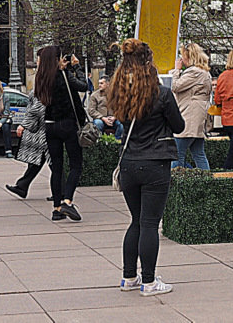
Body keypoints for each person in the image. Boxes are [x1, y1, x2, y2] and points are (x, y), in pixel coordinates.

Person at [107, 38, 185, 297]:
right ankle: (149, 282)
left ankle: (129, 277)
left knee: (136, 222)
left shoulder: (119, 91)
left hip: (128, 163)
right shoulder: (160, 93)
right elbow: (179, 126)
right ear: (148, 61)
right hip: (155, 163)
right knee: (150, 223)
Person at [35, 47, 87, 221]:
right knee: (75, 164)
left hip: (50, 126)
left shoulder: (40, 77)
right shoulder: (63, 76)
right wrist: (76, 67)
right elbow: (83, 86)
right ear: (56, 59)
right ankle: (67, 200)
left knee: (56, 168)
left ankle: (57, 208)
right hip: (68, 125)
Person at [170, 42, 213, 170]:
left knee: (178, 155)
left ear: (189, 57)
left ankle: (175, 185)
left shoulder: (194, 72)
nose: (181, 59)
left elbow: (175, 86)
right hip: (197, 119)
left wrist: (177, 70)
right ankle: (206, 182)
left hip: (188, 118)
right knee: (198, 154)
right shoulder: (203, 72)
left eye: (183, 56)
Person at [4, 90, 50, 199]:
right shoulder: (43, 86)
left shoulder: (44, 86)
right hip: (41, 128)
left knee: (49, 160)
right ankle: (22, 186)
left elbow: (38, 107)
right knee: (40, 160)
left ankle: (62, 192)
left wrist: (24, 124)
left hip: (42, 128)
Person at [86, 75, 124, 139]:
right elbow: (91, 110)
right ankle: (100, 142)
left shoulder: (116, 94)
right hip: (100, 118)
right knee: (98, 123)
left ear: (108, 84)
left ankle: (116, 141)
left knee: (122, 124)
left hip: (113, 118)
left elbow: (121, 107)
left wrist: (115, 117)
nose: (99, 85)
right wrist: (102, 118)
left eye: (101, 83)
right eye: (99, 83)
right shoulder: (94, 95)